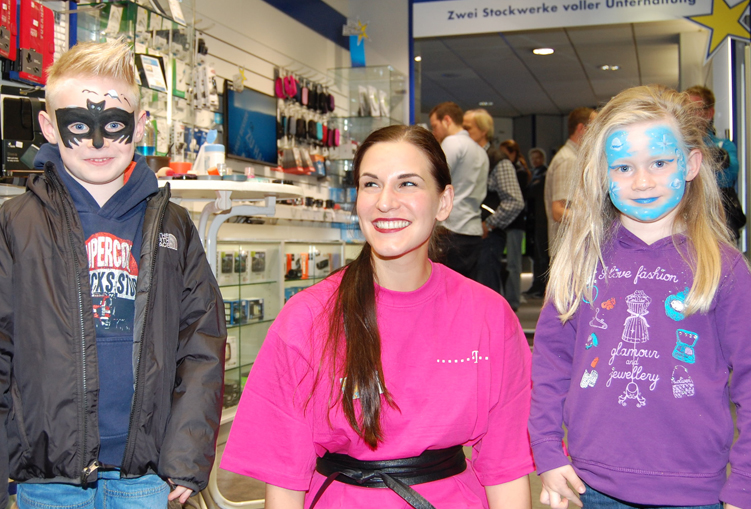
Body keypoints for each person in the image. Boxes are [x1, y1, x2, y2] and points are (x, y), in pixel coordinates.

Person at [222, 125, 534, 509]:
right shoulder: (306, 318)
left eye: (407, 184)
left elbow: (507, 468)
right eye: (371, 184)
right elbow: (285, 480)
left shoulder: (489, 316)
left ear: (444, 202)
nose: (385, 202)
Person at [0, 40, 226, 509]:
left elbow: (201, 343)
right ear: (49, 126)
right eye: (78, 126)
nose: (98, 143)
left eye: (115, 125)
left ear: (140, 125)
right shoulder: (16, 225)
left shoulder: (173, 226)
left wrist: (186, 452)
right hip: (48, 474)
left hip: (143, 472)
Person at [528, 85, 751, 509]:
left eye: (660, 162)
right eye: (624, 167)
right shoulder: (580, 260)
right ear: (602, 173)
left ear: (691, 164)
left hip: (693, 491)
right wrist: (547, 449)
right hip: (594, 485)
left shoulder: (724, 268)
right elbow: (551, 361)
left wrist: (745, 484)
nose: (643, 181)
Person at [463, 109, 524, 296]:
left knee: (485, 293)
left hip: (488, 239)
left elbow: (515, 201)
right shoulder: (469, 159)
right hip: (470, 236)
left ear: (483, 131)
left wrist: (488, 224)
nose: (463, 133)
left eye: (468, 128)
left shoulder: (498, 160)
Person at [429, 101, 489, 281]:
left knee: (444, 287)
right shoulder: (480, 150)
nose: (434, 132)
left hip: (451, 229)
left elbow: (435, 180)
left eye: (435, 126)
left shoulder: (452, 142)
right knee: (466, 288)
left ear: (447, 120)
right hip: (473, 231)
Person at [686, 85, 745, 240]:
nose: (689, 115)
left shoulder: (724, 146)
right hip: (687, 224)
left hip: (719, 225)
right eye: (686, 109)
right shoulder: (677, 146)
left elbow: (727, 177)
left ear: (709, 113)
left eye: (695, 109)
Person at [544, 107, 594, 256]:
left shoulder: (574, 158)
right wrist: (593, 222)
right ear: (581, 129)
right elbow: (558, 212)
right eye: (595, 127)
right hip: (568, 251)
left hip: (571, 249)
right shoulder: (568, 160)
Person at [499, 140, 531, 311]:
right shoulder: (515, 171)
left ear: (512, 153)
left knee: (513, 264)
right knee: (507, 264)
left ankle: (512, 300)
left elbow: (517, 201)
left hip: (515, 223)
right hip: (505, 223)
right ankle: (507, 298)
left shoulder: (519, 172)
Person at [523, 148, 548, 299]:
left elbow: (531, 192)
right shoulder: (534, 174)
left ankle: (541, 285)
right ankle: (536, 283)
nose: (535, 161)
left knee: (541, 255)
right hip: (533, 219)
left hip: (541, 219)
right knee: (536, 255)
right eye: (533, 158)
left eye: (538, 158)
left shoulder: (544, 174)